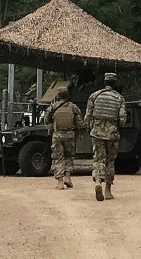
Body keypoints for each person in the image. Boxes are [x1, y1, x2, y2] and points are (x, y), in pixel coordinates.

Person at [84, 72, 126, 201]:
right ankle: (108, 190)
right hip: (112, 133)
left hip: (97, 132)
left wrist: (89, 128)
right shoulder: (119, 98)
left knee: (98, 159)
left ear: (105, 82)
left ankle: (97, 182)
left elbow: (88, 117)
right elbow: (123, 119)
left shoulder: (94, 96)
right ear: (114, 83)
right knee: (110, 161)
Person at [45, 86, 83, 190]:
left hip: (57, 135)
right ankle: (68, 178)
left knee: (58, 158)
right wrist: (79, 133)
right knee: (69, 157)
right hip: (70, 135)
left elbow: (46, 119)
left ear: (58, 95)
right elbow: (80, 123)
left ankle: (60, 182)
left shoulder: (53, 107)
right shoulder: (73, 107)